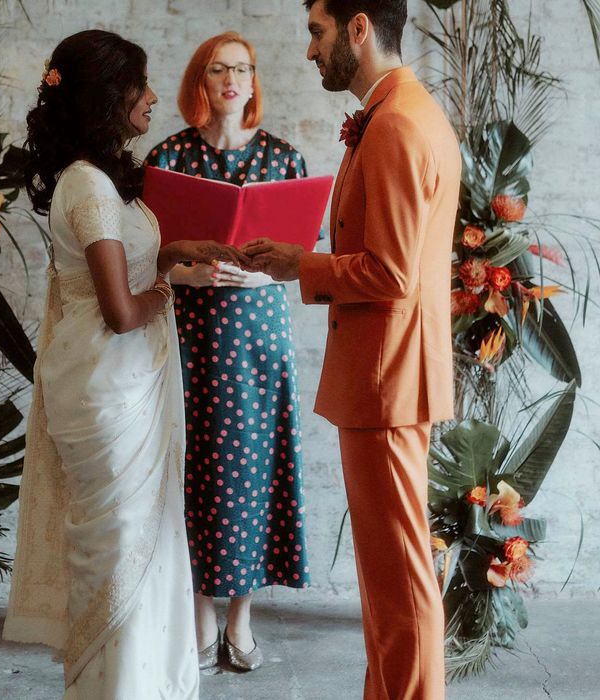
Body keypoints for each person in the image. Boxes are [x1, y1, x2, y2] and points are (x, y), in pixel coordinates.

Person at [2, 30, 243, 699]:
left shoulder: (101, 180)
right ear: (110, 96)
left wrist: (169, 254)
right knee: (120, 550)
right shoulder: (89, 188)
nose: (154, 97)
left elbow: (118, 273)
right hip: (109, 390)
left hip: (115, 379)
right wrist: (171, 287)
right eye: (140, 85)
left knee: (144, 544)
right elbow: (120, 311)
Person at [242, 2, 461, 698]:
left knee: (399, 583)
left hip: (386, 379)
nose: (310, 51)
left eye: (317, 31)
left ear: (359, 28)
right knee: (390, 578)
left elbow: (392, 274)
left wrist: (296, 265)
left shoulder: (395, 124)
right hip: (388, 375)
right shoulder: (403, 110)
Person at [145, 31, 312, 673]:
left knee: (253, 476)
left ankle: (240, 618)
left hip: (260, 339)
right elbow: (148, 258)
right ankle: (201, 617)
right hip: (193, 336)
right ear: (201, 81)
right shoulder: (168, 158)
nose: (232, 78)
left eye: (242, 68)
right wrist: (187, 275)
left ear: (253, 80)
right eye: (219, 68)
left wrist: (263, 275)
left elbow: (301, 257)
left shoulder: (283, 158)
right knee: (194, 474)